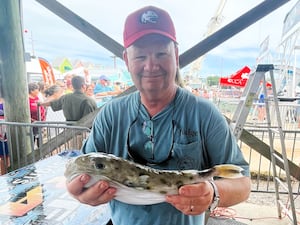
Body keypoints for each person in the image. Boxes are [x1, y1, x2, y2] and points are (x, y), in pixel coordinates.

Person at [66, 6, 251, 225]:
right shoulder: (110, 115)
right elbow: (80, 169)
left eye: (161, 53)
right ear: (127, 60)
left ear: (176, 55)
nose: (151, 65)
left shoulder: (205, 113)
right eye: (141, 56)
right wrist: (78, 189)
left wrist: (212, 192)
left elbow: (243, 184)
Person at [28, 83, 46, 147]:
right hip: (33, 124)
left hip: (40, 122)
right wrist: (32, 120)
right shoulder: (27, 100)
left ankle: (41, 153)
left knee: (40, 140)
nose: (38, 91)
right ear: (31, 91)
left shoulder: (37, 97)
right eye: (37, 89)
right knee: (32, 140)